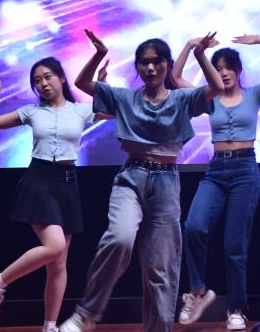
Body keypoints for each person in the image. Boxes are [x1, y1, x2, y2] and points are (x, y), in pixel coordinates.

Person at [59, 30, 223, 332]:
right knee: (119, 239)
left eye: (156, 61)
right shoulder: (125, 98)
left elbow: (216, 88)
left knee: (160, 269)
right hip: (132, 177)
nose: (150, 68)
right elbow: (82, 84)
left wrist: (200, 53)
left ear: (166, 64)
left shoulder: (181, 99)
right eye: (144, 62)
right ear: (137, 66)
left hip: (166, 182)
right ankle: (86, 314)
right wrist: (98, 54)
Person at [0, 58, 106, 332]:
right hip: (40, 180)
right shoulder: (31, 112)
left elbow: (113, 112)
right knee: (55, 247)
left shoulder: (81, 110)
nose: (43, 84)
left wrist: (102, 84)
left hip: (68, 184)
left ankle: (49, 326)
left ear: (61, 78)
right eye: (37, 81)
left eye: (48, 77)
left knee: (58, 264)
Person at [174, 35, 260, 331]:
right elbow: (175, 78)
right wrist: (190, 47)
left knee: (234, 246)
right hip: (216, 170)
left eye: (228, 67)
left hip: (245, 170)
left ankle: (236, 309)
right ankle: (196, 291)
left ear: (238, 71)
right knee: (193, 226)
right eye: (218, 68)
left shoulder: (254, 94)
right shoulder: (209, 97)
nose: (224, 73)